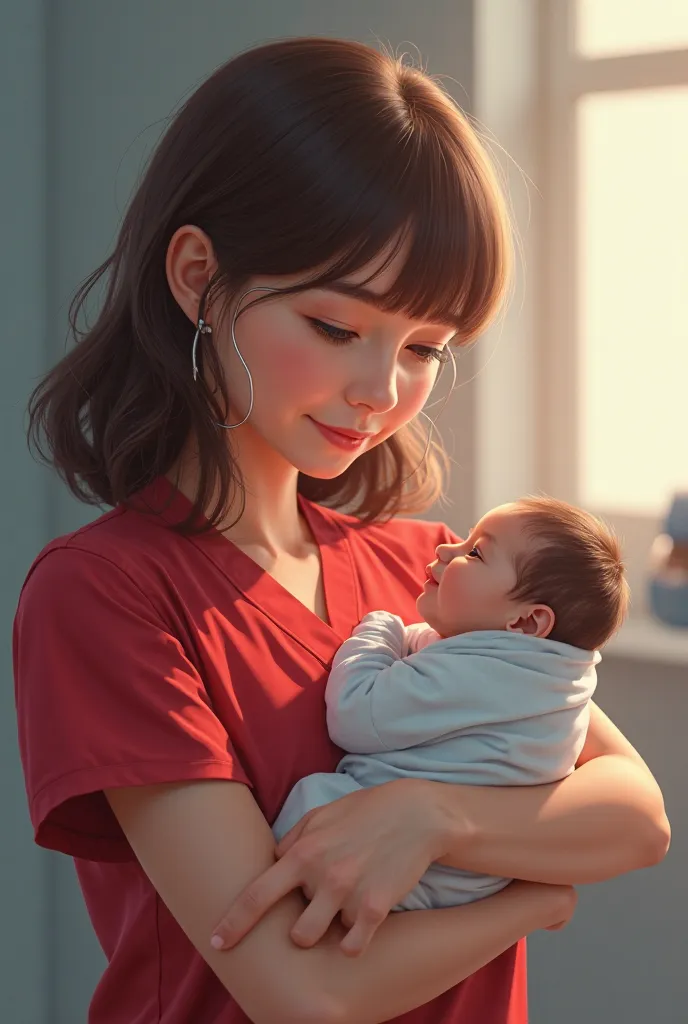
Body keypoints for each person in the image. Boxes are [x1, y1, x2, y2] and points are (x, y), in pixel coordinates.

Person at [12, 37, 669, 1024]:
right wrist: (531, 892)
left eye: (423, 348)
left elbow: (634, 816)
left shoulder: (431, 572)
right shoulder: (106, 593)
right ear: (197, 276)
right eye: (334, 327)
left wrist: (429, 815)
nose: (380, 391)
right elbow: (302, 987)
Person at [273, 496, 630, 912]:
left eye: (475, 552)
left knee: (312, 805)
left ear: (526, 622)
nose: (447, 549)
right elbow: (431, 645)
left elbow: (355, 713)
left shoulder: (486, 674)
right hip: (468, 876)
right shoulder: (549, 674)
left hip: (406, 870)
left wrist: (379, 628)